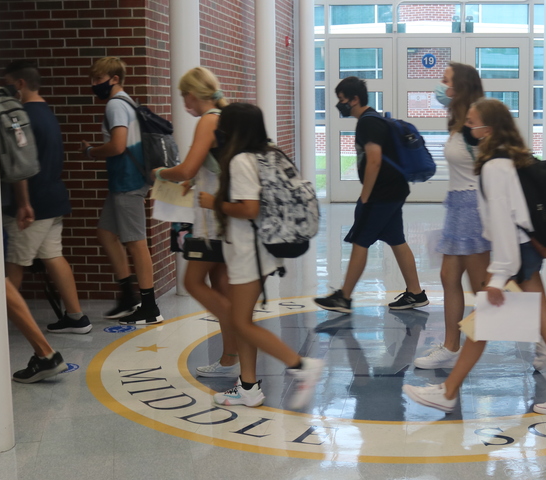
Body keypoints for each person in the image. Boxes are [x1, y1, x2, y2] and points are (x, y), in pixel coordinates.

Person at [403, 99, 546, 415]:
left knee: (483, 325)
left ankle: (447, 392)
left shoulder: (492, 168)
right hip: (526, 254)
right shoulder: (513, 159)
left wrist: (499, 276)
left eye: (472, 122)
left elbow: (504, 223)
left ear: (487, 130)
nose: (467, 127)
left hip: (514, 257)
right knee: (538, 324)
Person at [205, 103, 324, 408]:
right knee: (244, 318)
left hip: (249, 251)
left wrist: (213, 203)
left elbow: (249, 209)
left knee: (240, 321)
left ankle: (300, 365)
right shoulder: (270, 153)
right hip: (261, 249)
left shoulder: (241, 160)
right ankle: (248, 387)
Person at [153, 67, 244, 378]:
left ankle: (240, 332)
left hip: (211, 219)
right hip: (223, 215)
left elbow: (187, 168)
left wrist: (160, 173)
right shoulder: (225, 117)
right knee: (219, 284)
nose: (183, 102)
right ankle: (230, 358)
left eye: (183, 96)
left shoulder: (208, 119)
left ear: (192, 94)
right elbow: (213, 168)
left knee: (192, 282)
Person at [314, 76, 427, 314]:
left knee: (360, 240)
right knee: (396, 239)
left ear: (355, 99)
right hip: (393, 190)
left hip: (381, 193)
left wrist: (365, 197)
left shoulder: (368, 123)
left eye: (342, 100)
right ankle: (416, 293)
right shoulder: (374, 119)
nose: (340, 104)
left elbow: (374, 160)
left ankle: (344, 297)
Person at [0, 60, 91, 335]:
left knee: (15, 264)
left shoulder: (21, 116)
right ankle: (76, 317)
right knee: (53, 256)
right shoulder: (47, 112)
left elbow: (22, 164)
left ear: (20, 84)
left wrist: (23, 203)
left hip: (33, 205)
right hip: (54, 198)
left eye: (7, 83)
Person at [413, 62, 491, 370]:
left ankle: (542, 336)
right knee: (448, 277)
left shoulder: (477, 119)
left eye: (444, 81)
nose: (440, 86)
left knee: (483, 288)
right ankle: (450, 345)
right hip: (457, 206)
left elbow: (495, 160)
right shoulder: (459, 119)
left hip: (474, 209)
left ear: (460, 87)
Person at [81, 57, 162, 325]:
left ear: (114, 79)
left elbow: (117, 146)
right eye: (92, 79)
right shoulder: (127, 101)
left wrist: (91, 152)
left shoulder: (116, 104)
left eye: (98, 79)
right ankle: (128, 296)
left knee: (136, 242)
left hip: (127, 182)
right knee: (106, 232)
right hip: (124, 182)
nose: (94, 85)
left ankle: (149, 306)